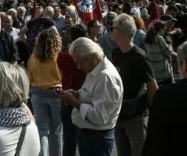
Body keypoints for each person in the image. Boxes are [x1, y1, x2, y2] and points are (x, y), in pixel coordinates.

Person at [53, 37, 123, 156]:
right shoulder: (96, 69)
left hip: (97, 138)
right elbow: (93, 95)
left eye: (80, 63)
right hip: (89, 135)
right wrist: (77, 93)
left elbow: (99, 117)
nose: (79, 67)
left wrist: (74, 102)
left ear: (93, 58)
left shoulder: (105, 77)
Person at [110, 14, 158, 156]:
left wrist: (147, 111)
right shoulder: (116, 53)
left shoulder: (139, 56)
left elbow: (152, 86)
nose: (110, 31)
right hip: (119, 114)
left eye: (112, 28)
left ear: (120, 31)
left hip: (136, 118)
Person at [28, 27, 63, 156]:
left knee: (41, 130)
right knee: (56, 131)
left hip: (37, 93)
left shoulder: (33, 57)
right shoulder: (59, 57)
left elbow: (30, 78)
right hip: (56, 94)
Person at [57, 25, 88, 156]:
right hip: (85, 101)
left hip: (67, 100)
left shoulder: (62, 56)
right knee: (85, 141)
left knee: (69, 140)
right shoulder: (89, 56)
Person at [144, 21, 175, 86]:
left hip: (154, 73)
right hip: (163, 73)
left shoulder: (148, 39)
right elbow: (168, 52)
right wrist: (169, 43)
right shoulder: (159, 38)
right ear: (161, 29)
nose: (165, 31)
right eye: (164, 29)